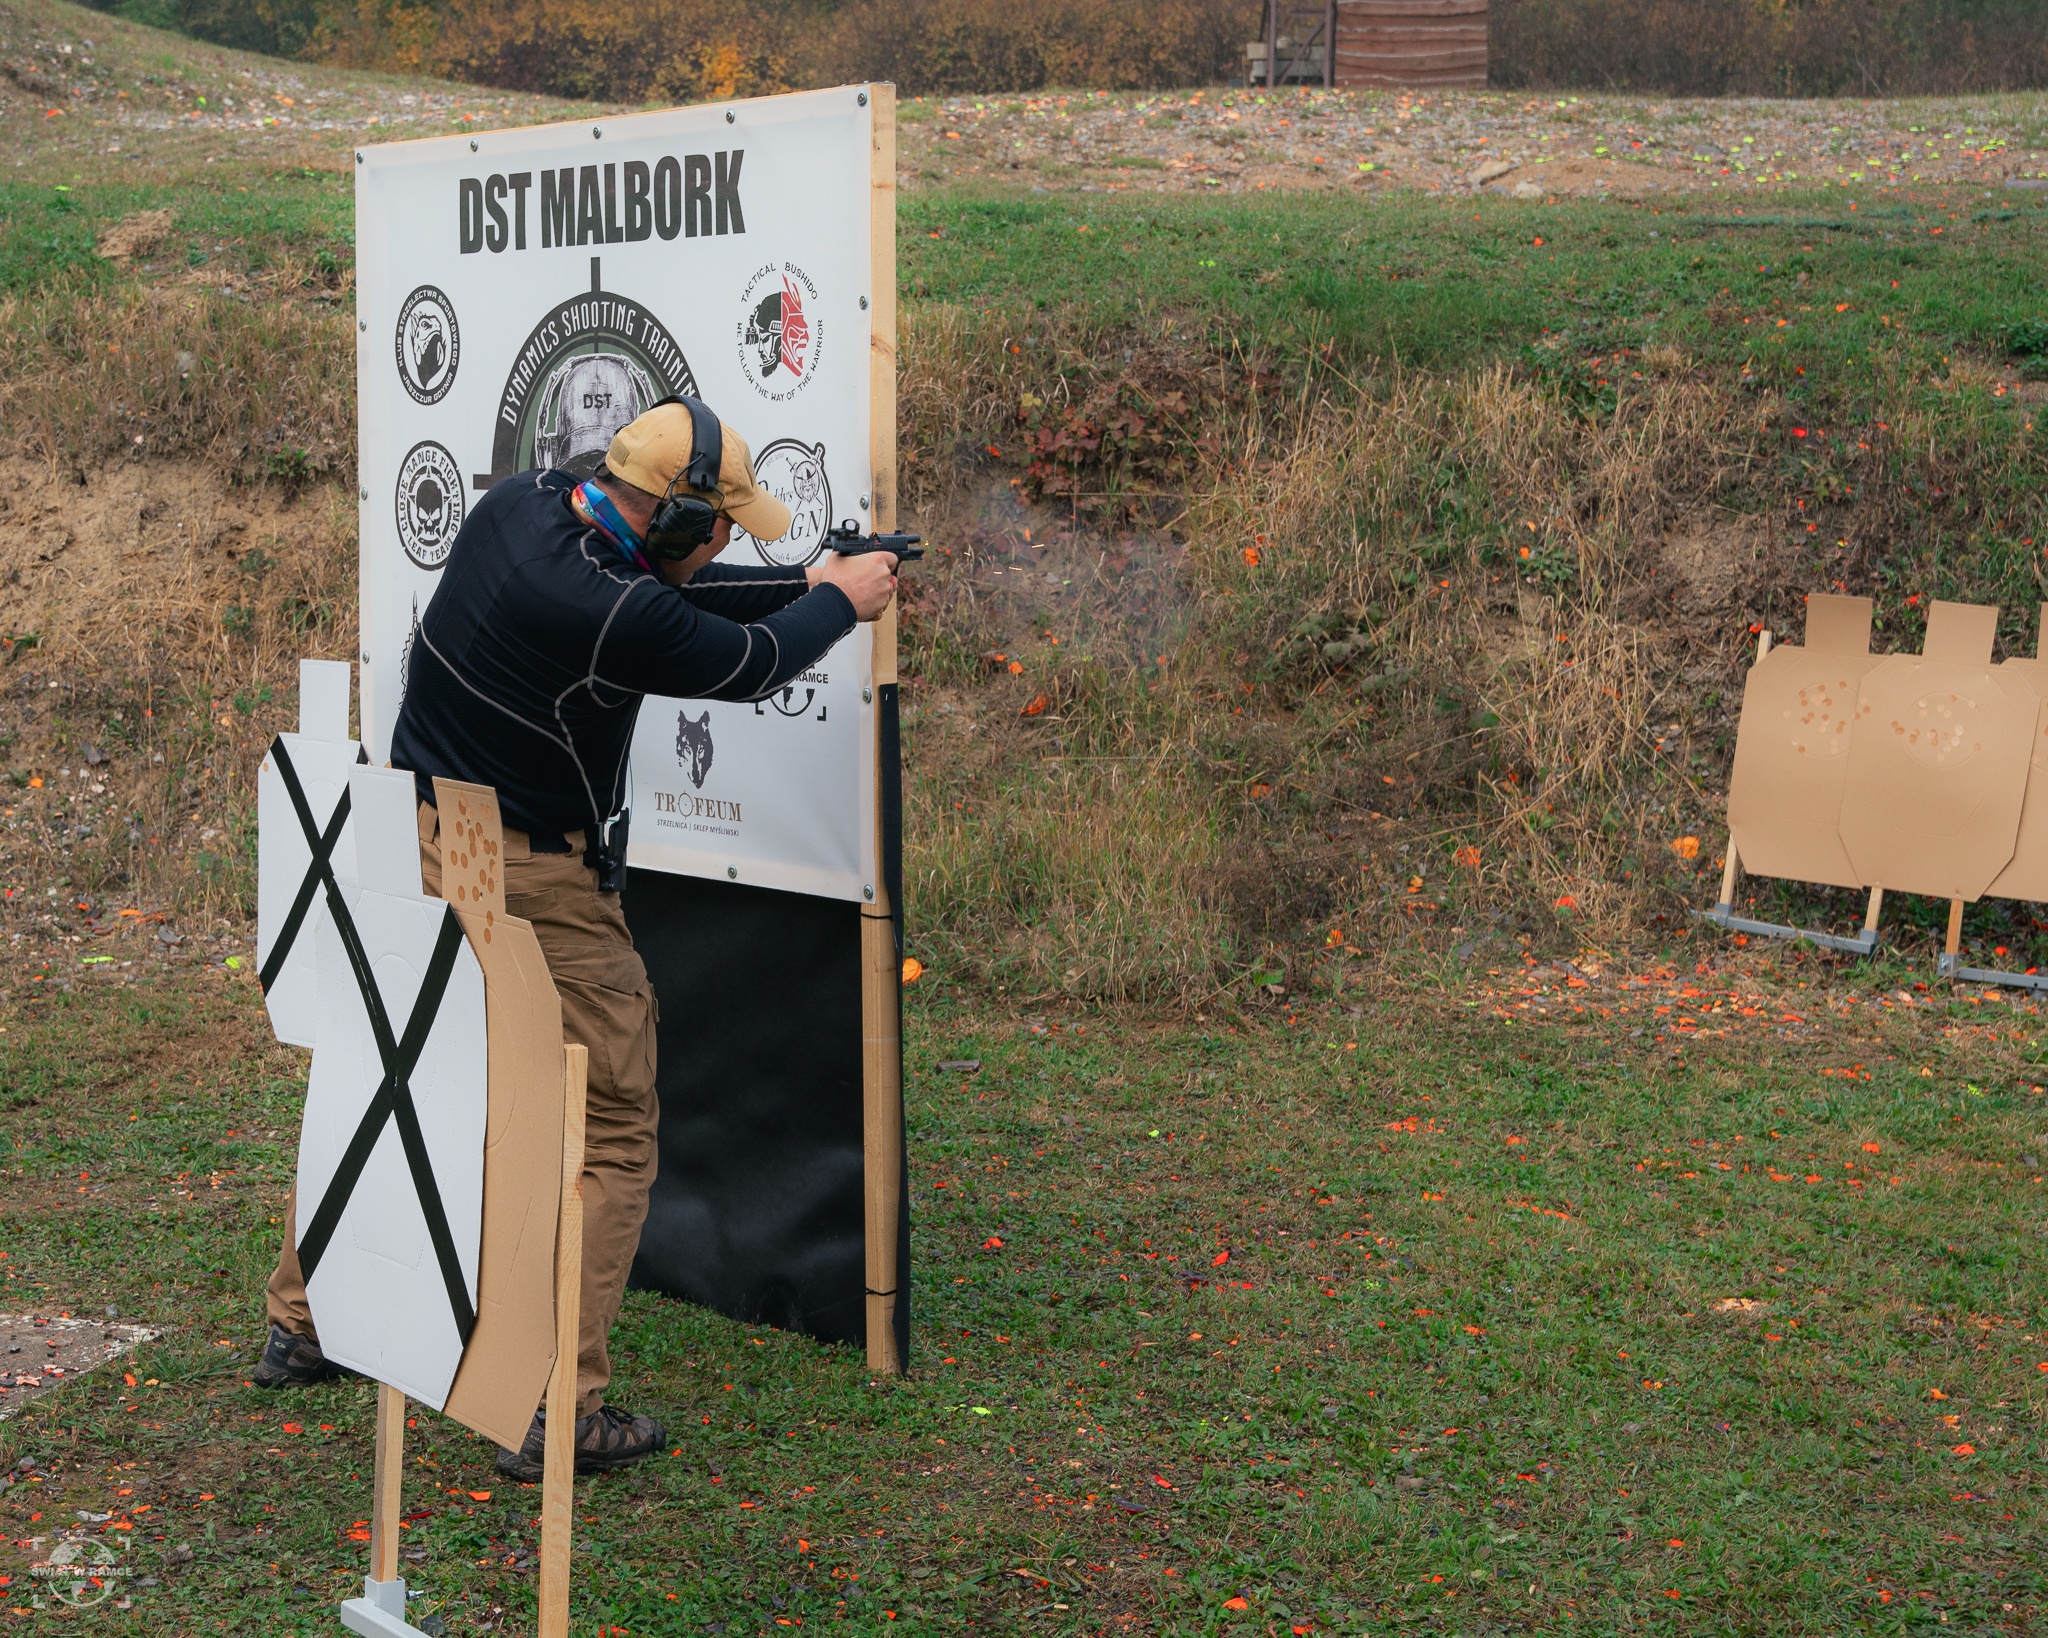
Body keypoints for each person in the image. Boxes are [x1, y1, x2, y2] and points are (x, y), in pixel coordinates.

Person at [254, 397, 898, 1481]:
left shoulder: (527, 506)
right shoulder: (602, 608)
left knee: (399, 1079)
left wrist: (815, 582)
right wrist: (837, 605)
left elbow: (678, 599)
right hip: (526, 871)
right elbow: (735, 660)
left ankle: (305, 1320)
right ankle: (556, 1404)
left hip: (418, 831)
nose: (731, 539)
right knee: (610, 1120)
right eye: (721, 522)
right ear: (670, 514)